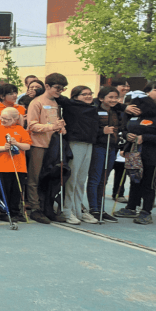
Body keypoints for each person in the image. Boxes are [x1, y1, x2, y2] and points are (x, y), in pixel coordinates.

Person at [115, 91, 156, 225]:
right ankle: (131, 207)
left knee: (149, 183)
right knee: (134, 180)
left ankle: (146, 211)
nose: (133, 110)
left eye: (136, 108)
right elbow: (124, 129)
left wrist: (145, 138)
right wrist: (127, 136)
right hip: (134, 154)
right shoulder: (132, 118)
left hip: (153, 156)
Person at [25, 73, 68, 224]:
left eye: (62, 88)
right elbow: (31, 125)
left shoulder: (56, 103)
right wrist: (51, 127)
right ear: (47, 86)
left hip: (53, 145)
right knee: (34, 178)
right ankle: (35, 208)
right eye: (57, 88)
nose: (60, 91)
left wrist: (60, 128)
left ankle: (46, 207)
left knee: (49, 177)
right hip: (38, 144)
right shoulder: (36, 103)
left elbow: (55, 123)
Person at [59, 85, 100, 224]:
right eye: (84, 94)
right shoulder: (71, 106)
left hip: (89, 144)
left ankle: (79, 210)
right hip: (75, 143)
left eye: (90, 93)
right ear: (76, 96)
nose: (88, 96)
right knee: (72, 178)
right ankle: (67, 210)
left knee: (81, 179)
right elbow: (59, 97)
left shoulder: (94, 108)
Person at [0, 107, 31, 223]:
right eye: (2, 118)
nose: (3, 120)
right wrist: (3, 148)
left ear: (15, 119)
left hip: (19, 167)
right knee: (3, 190)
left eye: (7, 119)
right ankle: (2, 212)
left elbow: (27, 146)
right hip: (3, 166)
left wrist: (17, 143)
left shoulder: (20, 130)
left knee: (17, 190)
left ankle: (15, 211)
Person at [88, 86, 120, 222]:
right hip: (99, 147)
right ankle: (93, 208)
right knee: (95, 178)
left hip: (112, 148)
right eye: (110, 97)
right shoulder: (94, 111)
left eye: (115, 97)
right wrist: (102, 131)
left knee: (104, 179)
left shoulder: (116, 112)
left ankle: (101, 208)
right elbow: (89, 129)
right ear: (101, 98)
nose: (113, 100)